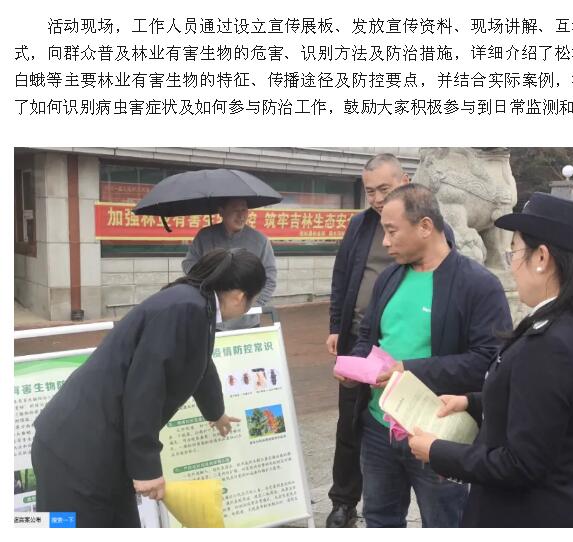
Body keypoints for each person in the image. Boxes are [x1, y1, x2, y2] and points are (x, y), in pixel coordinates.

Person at [408, 192, 573, 527]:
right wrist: (472, 402)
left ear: (541, 257)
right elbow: (545, 408)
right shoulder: (570, 323)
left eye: (514, 251)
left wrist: (437, 451)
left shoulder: (552, 344)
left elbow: (521, 463)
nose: (511, 264)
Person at [31, 248, 267, 527]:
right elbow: (145, 388)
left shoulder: (196, 304)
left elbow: (201, 363)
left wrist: (216, 413)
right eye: (252, 300)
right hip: (77, 452)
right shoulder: (187, 308)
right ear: (240, 296)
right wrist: (146, 468)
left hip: (101, 447)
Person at [344, 184, 512, 528]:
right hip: (379, 427)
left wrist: (409, 370)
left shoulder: (478, 285)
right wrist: (356, 367)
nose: (385, 242)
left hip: (438, 431)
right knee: (379, 519)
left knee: (445, 522)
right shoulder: (389, 277)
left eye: (392, 231)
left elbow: (489, 361)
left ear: (424, 226)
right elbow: (368, 336)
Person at [325, 154, 455, 527]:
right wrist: (337, 327)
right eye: (370, 191)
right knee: (351, 424)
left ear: (405, 180)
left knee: (408, 423)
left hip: (411, 353)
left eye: (384, 188)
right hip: (363, 340)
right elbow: (341, 276)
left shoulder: (439, 236)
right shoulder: (360, 226)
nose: (378, 198)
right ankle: (344, 500)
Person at [183, 197, 277, 330]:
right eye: (235, 210)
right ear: (221, 211)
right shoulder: (205, 237)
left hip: (247, 323)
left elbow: (270, 278)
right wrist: (206, 275)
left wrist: (252, 305)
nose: (241, 215)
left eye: (244, 210)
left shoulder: (260, 241)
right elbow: (188, 264)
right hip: (213, 321)